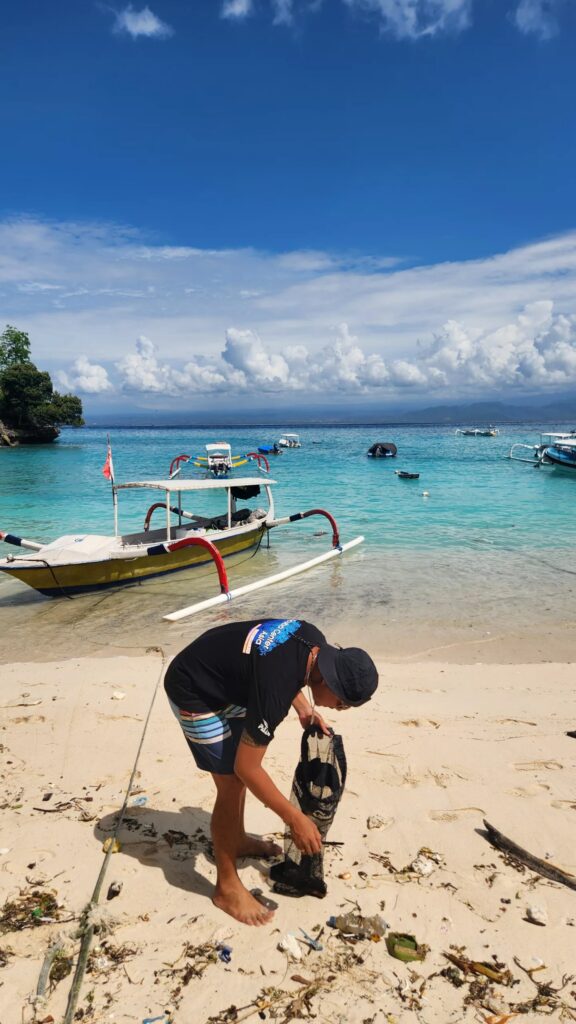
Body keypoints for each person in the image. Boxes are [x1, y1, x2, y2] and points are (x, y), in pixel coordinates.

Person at [164, 617, 378, 926]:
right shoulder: (275, 692)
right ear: (329, 681)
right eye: (342, 704)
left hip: (229, 679)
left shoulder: (312, 639)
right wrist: (295, 819)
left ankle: (235, 839)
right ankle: (226, 887)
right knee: (232, 783)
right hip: (194, 689)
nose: (338, 709)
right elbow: (248, 768)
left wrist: (304, 708)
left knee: (236, 778)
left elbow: (278, 665)